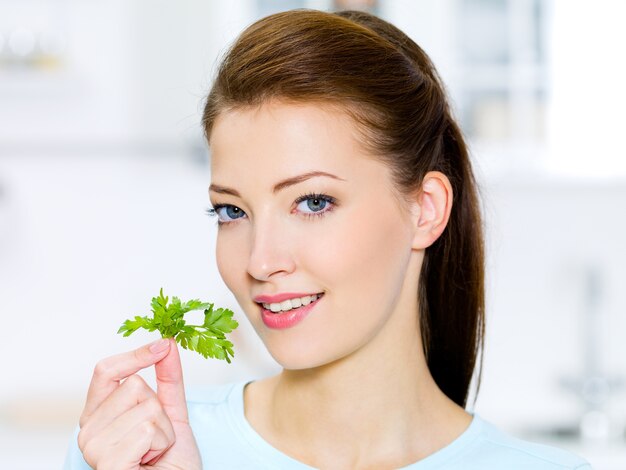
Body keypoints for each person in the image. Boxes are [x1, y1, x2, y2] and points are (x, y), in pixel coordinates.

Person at [63, 8, 592, 469]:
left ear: (425, 210)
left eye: (313, 202)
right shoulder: (136, 450)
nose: (261, 261)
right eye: (231, 211)